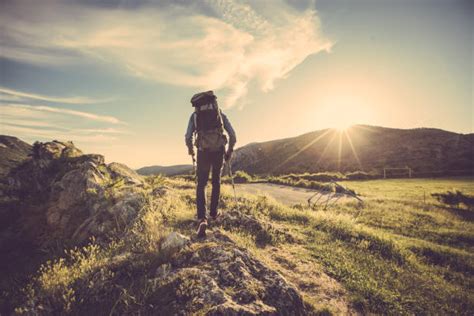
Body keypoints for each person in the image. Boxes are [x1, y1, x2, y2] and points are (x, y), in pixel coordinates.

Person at [185, 91, 236, 238]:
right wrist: (229, 151)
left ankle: (202, 218)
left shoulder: (195, 116)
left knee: (201, 184)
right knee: (216, 182)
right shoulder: (219, 115)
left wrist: (191, 151)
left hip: (203, 152)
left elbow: (188, 136)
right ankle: (213, 214)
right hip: (218, 151)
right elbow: (233, 135)